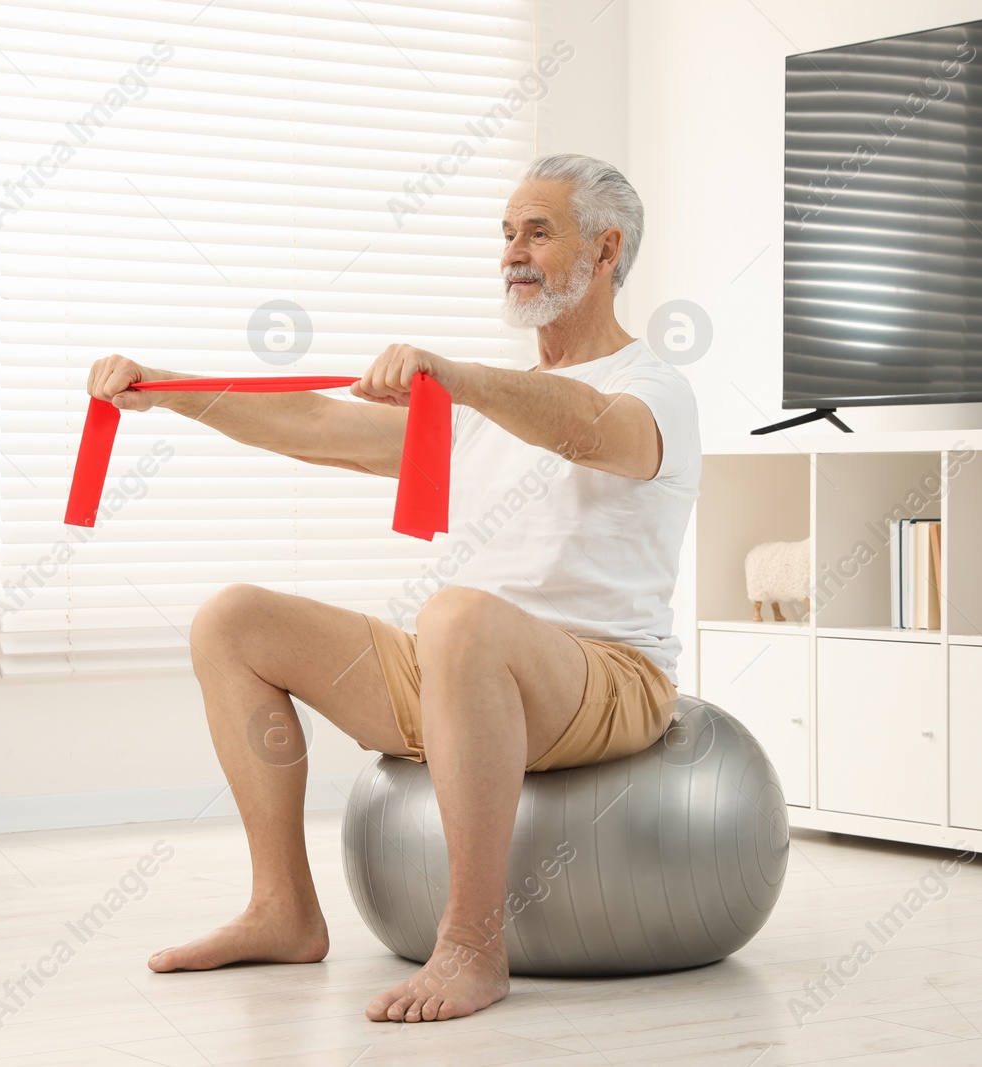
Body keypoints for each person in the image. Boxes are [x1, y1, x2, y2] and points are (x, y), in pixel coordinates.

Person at [86, 153, 700, 1023]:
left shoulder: (653, 387)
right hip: (458, 668)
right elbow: (320, 423)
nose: (512, 253)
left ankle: (474, 944)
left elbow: (593, 432)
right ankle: (282, 909)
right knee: (234, 620)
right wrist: (170, 389)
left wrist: (458, 378)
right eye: (505, 233)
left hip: (603, 679)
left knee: (456, 616)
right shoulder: (487, 407)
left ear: (606, 252)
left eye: (537, 232)